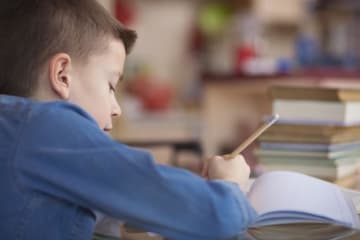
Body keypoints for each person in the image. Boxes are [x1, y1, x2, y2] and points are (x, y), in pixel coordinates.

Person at [0, 0, 257, 239]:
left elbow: (102, 201)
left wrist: (167, 191)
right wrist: (230, 185)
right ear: (62, 75)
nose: (117, 109)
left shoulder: (14, 127)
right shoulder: (49, 127)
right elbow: (215, 215)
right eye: (111, 85)